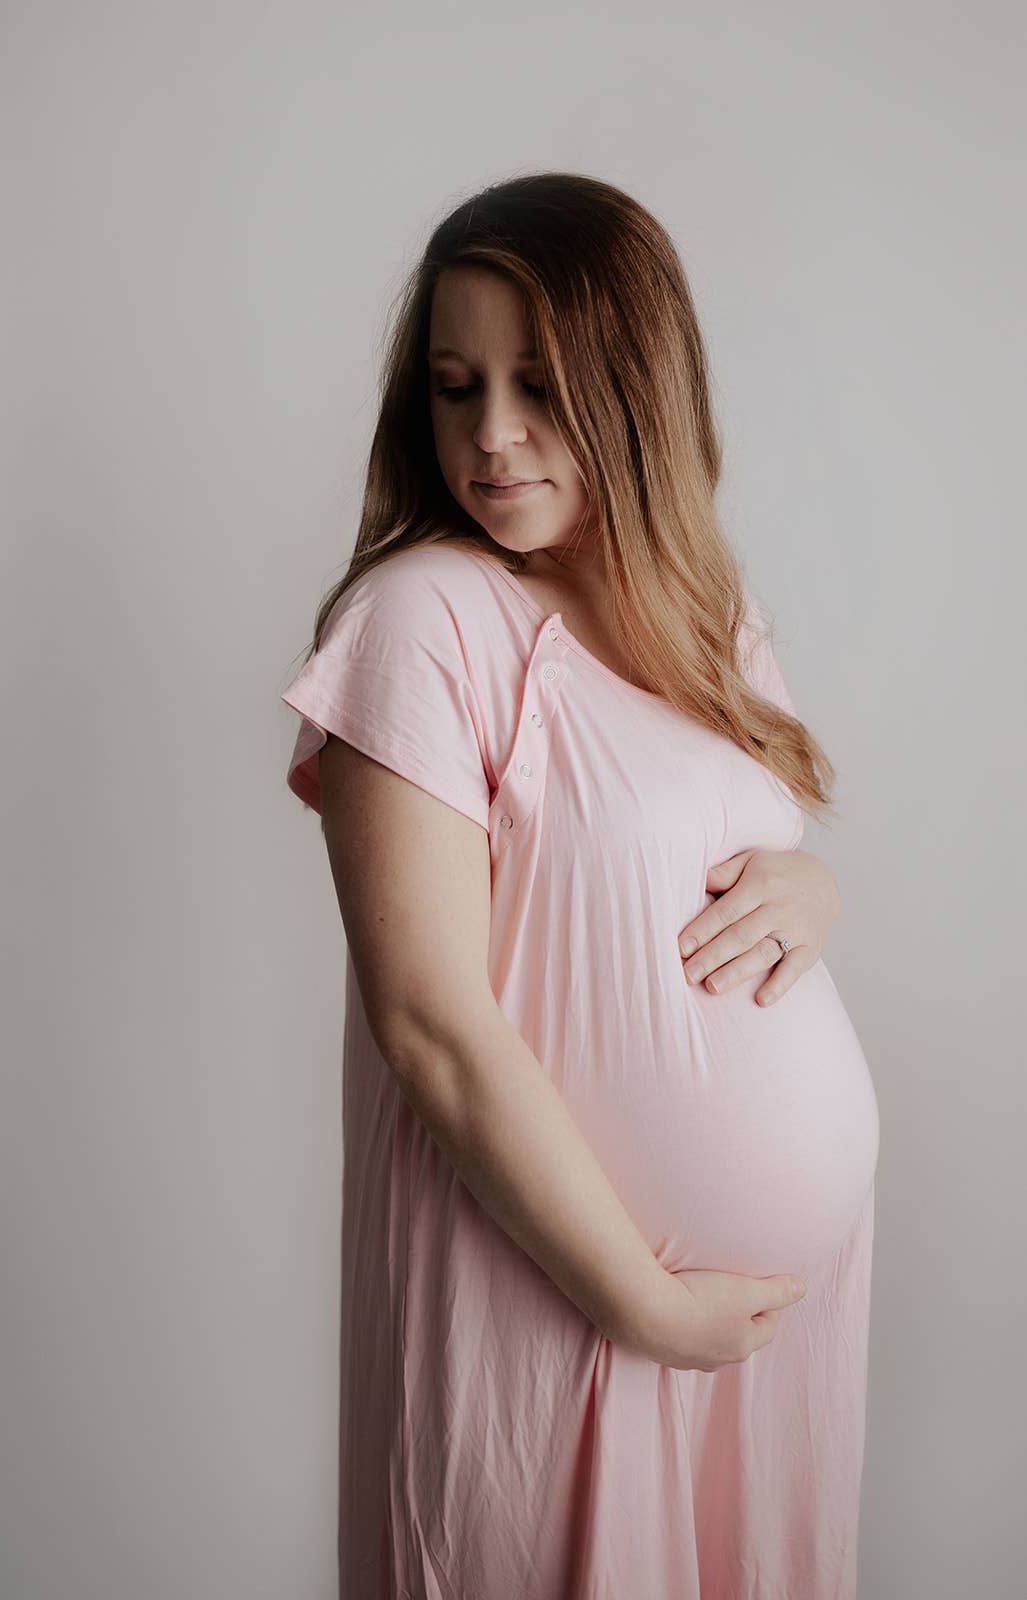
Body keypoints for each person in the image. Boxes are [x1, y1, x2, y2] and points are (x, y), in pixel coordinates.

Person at [279, 172, 881, 1598]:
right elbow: (429, 1024)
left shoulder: (702, 617)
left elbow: (747, 852)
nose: (491, 437)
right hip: (559, 1304)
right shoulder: (420, 616)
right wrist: (643, 1306)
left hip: (765, 1334)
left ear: (636, 387)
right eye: (455, 385)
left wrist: (819, 897)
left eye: (539, 385)